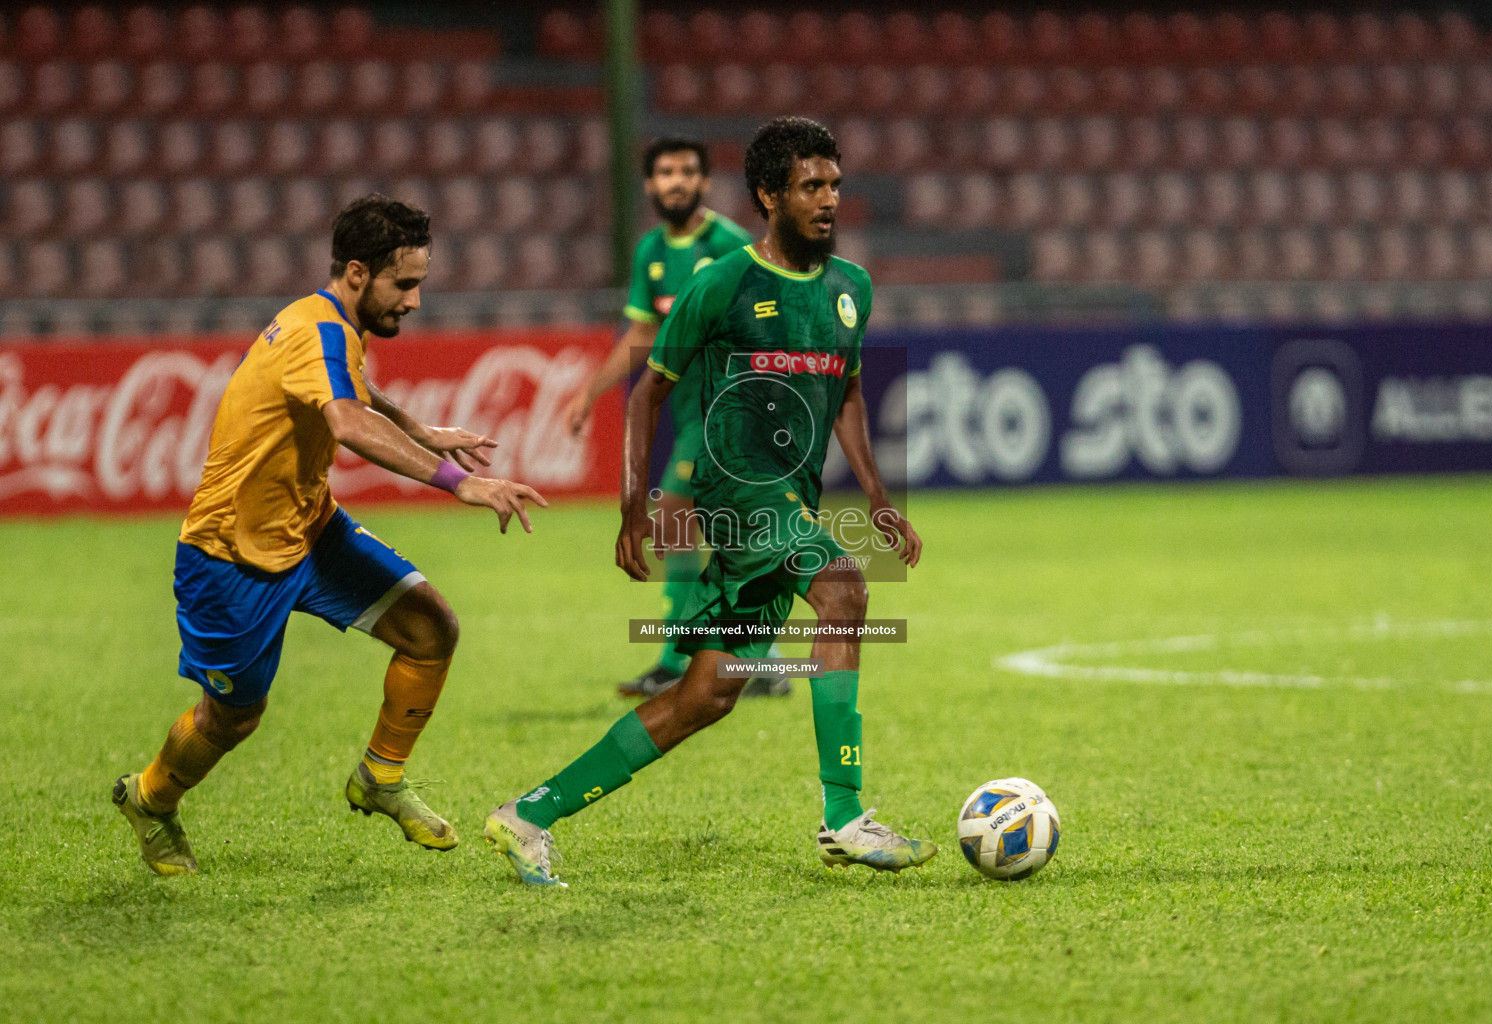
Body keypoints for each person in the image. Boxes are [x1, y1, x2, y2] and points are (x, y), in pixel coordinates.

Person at [484, 118, 935, 887]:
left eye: (833, 185)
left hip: (791, 498)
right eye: (809, 187)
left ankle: (530, 813)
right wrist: (634, 506)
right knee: (845, 588)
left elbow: (848, 388)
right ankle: (845, 814)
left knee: (706, 695)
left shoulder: (850, 289)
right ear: (768, 196)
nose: (828, 200)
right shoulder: (722, 281)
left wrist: (877, 494)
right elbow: (647, 392)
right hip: (739, 497)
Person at [113, 194, 547, 876]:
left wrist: (418, 428)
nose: (415, 300)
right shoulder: (316, 331)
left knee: (431, 629)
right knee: (232, 719)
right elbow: (345, 421)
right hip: (231, 556)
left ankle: (380, 776)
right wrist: (457, 482)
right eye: (405, 284)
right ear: (355, 273)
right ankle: (150, 798)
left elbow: (354, 392)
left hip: (310, 529)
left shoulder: (336, 326)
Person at [562, 138, 789, 699]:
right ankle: (760, 660)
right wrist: (589, 393)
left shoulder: (735, 245)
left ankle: (673, 661)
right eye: (665, 172)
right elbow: (641, 333)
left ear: (706, 182)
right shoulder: (651, 252)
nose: (677, 181)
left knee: (676, 520)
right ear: (649, 185)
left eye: (688, 171)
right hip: (690, 413)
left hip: (731, 411)